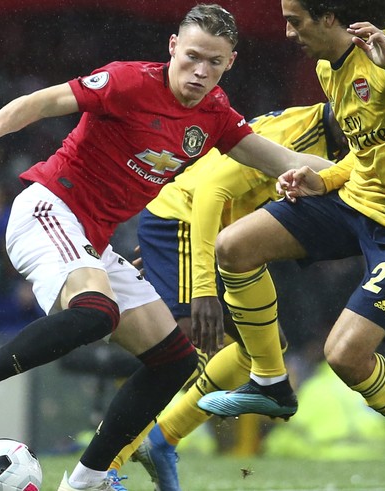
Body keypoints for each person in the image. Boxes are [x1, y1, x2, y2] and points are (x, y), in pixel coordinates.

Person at [0, 5, 333, 491]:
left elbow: (283, 161)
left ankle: (85, 481)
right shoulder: (127, 82)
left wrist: (359, 172)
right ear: (172, 48)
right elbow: (40, 102)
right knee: (97, 311)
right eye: (192, 57)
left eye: (214, 62)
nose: (200, 71)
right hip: (49, 209)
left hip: (91, 241)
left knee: (175, 360)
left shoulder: (215, 115)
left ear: (230, 62)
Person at [197, 1, 385, 489]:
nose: (287, 32)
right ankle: (271, 381)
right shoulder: (327, 68)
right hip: (356, 202)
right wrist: (323, 180)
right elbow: (369, 155)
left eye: (295, 21)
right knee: (234, 246)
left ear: (327, 18)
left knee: (344, 356)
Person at [107, 102, 345, 490]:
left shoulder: (334, 145)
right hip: (184, 222)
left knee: (260, 351)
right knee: (179, 350)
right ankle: (106, 464)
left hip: (214, 235)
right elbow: (209, 193)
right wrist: (200, 286)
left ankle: (162, 438)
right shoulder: (294, 135)